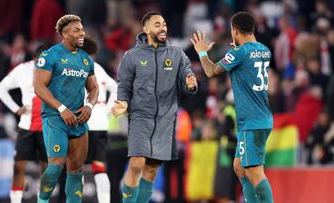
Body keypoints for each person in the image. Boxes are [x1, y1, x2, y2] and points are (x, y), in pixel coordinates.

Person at [111, 11, 198, 203]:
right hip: (141, 117)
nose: (163, 28)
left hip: (165, 120)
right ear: (146, 29)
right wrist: (123, 102)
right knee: (136, 164)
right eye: (157, 24)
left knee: (151, 169)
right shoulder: (131, 56)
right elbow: (124, 85)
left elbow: (187, 76)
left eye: (165, 24)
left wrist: (190, 84)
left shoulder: (176, 54)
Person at [191, 12, 274, 203]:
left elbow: (210, 71)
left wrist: (202, 52)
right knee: (239, 166)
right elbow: (247, 63)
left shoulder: (239, 53)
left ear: (234, 30)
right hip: (262, 117)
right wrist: (237, 49)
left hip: (251, 121)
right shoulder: (264, 50)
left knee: (254, 171)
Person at [34, 14, 99, 203]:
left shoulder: (86, 60)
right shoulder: (50, 55)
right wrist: (62, 108)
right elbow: (39, 87)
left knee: (76, 170)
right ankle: (42, 201)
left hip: (78, 119)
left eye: (82, 29)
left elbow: (94, 88)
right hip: (55, 118)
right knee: (56, 165)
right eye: (76, 30)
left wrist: (88, 105)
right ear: (64, 34)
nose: (82, 33)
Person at [0, 45, 49, 203]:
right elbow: (0, 89)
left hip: (48, 126)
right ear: (35, 59)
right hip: (26, 125)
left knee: (46, 169)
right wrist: (15, 109)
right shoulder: (22, 70)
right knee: (18, 167)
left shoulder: (57, 71)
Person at [81, 37, 117, 203]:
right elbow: (116, 88)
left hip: (84, 124)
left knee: (76, 167)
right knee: (100, 168)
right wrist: (107, 111)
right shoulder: (99, 68)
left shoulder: (78, 68)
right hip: (101, 123)